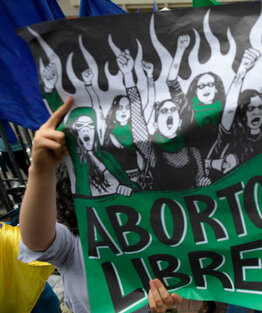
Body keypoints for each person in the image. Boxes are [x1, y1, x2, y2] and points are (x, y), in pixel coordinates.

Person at [18, 98, 184, 313]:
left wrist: (166, 308)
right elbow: (35, 239)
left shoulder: (157, 229)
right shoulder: (73, 243)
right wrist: (40, 171)